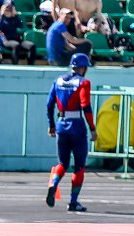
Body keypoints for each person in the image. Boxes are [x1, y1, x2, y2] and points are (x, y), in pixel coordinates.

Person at [45, 53, 97, 212]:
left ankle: (53, 184)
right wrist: (92, 128)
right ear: (83, 67)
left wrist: (51, 125)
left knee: (63, 163)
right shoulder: (83, 83)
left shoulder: (58, 81)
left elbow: (49, 104)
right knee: (79, 166)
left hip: (61, 124)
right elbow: (85, 106)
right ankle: (73, 202)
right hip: (77, 126)